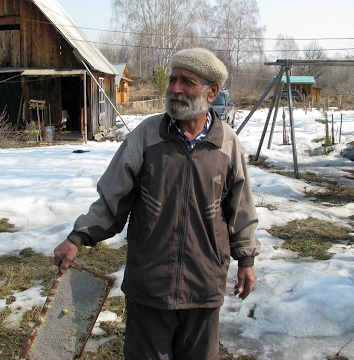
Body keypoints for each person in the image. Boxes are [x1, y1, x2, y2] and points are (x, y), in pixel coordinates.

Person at [54, 47, 261, 360]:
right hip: (150, 283)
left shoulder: (227, 144)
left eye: (187, 82)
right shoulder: (146, 136)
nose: (175, 88)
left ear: (211, 92)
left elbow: (240, 211)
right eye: (173, 80)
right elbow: (113, 199)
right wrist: (77, 237)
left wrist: (246, 259)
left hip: (203, 284)